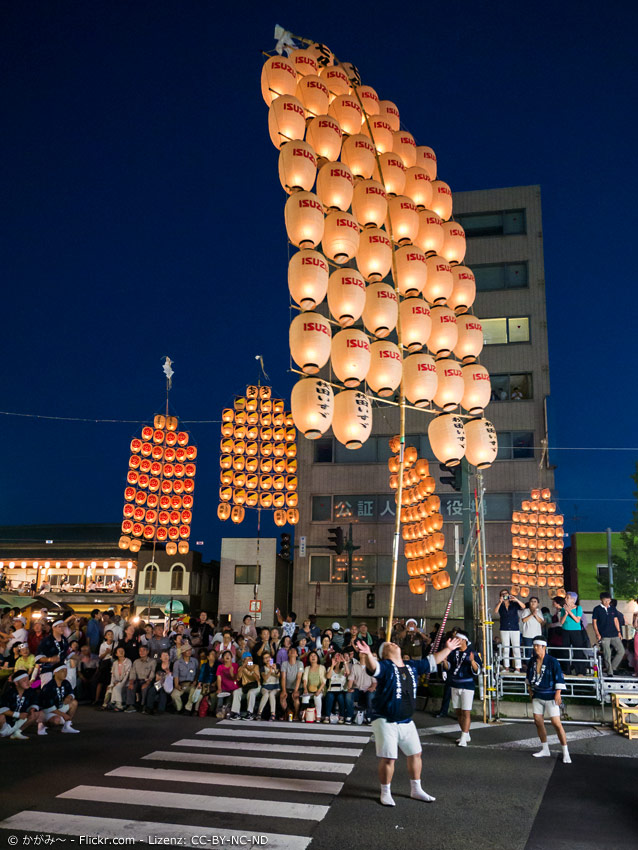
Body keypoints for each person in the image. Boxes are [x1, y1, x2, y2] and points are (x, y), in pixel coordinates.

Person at [356, 636, 461, 807]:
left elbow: (432, 661)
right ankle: (385, 792)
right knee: (389, 758)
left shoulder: (411, 666)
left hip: (406, 720)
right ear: (384, 653)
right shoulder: (385, 666)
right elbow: (373, 668)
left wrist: (448, 649)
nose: (394, 643)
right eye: (389, 644)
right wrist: (368, 654)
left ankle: (416, 788)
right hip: (385, 719)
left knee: (415, 754)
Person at [526, 638, 571, 763]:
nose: (535, 648)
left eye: (538, 646)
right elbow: (528, 677)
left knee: (556, 723)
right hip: (537, 694)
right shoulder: (532, 661)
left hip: (551, 694)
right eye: (534, 646)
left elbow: (559, 677)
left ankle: (565, 751)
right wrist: (529, 689)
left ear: (544, 647)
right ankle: (545, 748)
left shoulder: (552, 661)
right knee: (538, 721)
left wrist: (558, 693)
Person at [442, 632, 481, 747]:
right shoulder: (453, 653)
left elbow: (478, 670)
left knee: (466, 712)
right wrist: (444, 661)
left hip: (467, 685)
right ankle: (466, 733)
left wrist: (473, 661)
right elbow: (449, 667)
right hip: (455, 684)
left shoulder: (472, 652)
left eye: (458, 639)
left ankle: (464, 736)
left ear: (464, 640)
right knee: (458, 711)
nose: (456, 641)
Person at [0, 670, 43, 740]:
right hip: (6, 724)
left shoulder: (30, 692)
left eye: (28, 679)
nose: (28, 682)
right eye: (24, 680)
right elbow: (2, 709)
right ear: (16, 683)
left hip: (18, 722)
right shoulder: (8, 693)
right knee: (1, 716)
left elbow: (35, 702)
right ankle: (2, 733)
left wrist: (32, 709)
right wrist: (18, 715)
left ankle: (17, 732)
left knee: (37, 713)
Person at [39, 664, 80, 734]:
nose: (65, 673)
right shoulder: (49, 686)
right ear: (55, 673)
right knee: (56, 721)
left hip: (59, 707)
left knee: (74, 702)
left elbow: (71, 692)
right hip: (47, 711)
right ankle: (42, 724)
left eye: (66, 671)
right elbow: (48, 706)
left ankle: (67, 726)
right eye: (62, 671)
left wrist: (70, 696)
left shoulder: (66, 682)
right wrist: (64, 715)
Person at [592, 592, 623, 676]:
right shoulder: (597, 609)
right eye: (605, 600)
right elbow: (594, 622)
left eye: (608, 600)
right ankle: (610, 672)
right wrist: (597, 634)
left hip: (614, 633)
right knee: (607, 653)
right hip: (604, 635)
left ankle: (613, 667)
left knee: (621, 651)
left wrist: (619, 632)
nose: (607, 602)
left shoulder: (612, 608)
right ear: (601, 600)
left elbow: (616, 620)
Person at [495, 589, 525, 672]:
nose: (504, 595)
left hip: (514, 627)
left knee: (516, 648)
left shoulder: (514, 604)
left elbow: (523, 607)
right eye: (502, 594)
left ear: (509, 594)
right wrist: (500, 602)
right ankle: (506, 667)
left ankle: (518, 668)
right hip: (504, 628)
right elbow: (496, 611)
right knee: (506, 648)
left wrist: (516, 599)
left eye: (506, 594)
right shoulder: (500, 605)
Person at [559, 592, 588, 675]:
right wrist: (566, 613)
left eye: (567, 597)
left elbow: (577, 620)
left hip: (576, 631)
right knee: (565, 651)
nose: (565, 599)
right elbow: (561, 622)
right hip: (565, 631)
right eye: (566, 597)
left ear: (573, 600)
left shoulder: (578, 608)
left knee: (578, 651)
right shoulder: (563, 609)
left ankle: (580, 671)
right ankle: (566, 670)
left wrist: (570, 612)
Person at [37, 619, 70, 686]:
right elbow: (38, 657)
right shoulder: (46, 640)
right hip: (48, 669)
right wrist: (50, 659)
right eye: (59, 626)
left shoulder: (64, 640)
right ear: (53, 628)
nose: (62, 628)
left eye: (63, 626)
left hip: (61, 669)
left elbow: (65, 653)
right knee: (47, 690)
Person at [125, 644, 155, 712]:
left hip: (147, 681)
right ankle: (131, 705)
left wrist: (147, 683)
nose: (142, 652)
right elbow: (133, 673)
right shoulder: (136, 661)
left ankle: (143, 705)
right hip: (137, 680)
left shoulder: (152, 661)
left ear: (147, 652)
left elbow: (152, 674)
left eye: (144, 650)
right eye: (140, 651)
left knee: (145, 688)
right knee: (130, 686)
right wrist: (131, 682)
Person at [230, 655, 262, 719]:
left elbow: (258, 679)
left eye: (249, 659)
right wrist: (242, 667)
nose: (248, 661)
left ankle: (250, 713)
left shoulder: (255, 666)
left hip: (255, 686)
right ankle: (236, 713)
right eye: (246, 659)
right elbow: (238, 678)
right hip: (246, 687)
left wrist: (251, 670)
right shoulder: (241, 668)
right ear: (243, 661)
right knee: (236, 692)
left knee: (251, 692)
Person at [144, 651, 173, 715]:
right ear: (160, 658)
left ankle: (160, 710)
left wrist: (168, 674)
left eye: (167, 655)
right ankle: (149, 708)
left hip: (168, 684)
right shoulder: (158, 665)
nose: (165, 657)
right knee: (152, 690)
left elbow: (173, 676)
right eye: (163, 655)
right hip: (159, 683)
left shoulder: (172, 665)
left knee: (163, 692)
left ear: (169, 657)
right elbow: (157, 677)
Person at [171, 645, 199, 712]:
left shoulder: (194, 661)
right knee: (174, 695)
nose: (189, 652)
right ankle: (179, 708)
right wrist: (177, 685)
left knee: (193, 691)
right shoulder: (177, 663)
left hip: (191, 684)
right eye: (187, 650)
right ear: (183, 652)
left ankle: (187, 708)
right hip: (182, 684)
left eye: (190, 650)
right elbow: (176, 675)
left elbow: (198, 672)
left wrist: (195, 681)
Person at [324, 652, 351, 723]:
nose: (337, 657)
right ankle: (327, 716)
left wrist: (344, 661)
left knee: (340, 697)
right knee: (329, 696)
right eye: (335, 656)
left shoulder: (343, 669)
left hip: (341, 690)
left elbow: (348, 673)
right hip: (331, 690)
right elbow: (328, 677)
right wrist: (333, 665)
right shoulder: (330, 668)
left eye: (339, 656)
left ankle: (342, 716)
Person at [104, 645, 132, 711]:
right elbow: (112, 675)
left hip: (125, 682)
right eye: (119, 651)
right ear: (116, 654)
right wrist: (111, 684)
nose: (121, 652)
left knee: (116, 687)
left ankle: (118, 705)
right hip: (116, 682)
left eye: (122, 651)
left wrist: (120, 683)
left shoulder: (128, 661)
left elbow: (127, 675)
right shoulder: (115, 663)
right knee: (109, 688)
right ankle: (105, 704)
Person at [520, 597, 545, 669]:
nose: (533, 603)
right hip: (527, 634)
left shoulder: (539, 611)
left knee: (537, 652)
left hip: (537, 634)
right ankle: (529, 667)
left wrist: (535, 614)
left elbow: (541, 622)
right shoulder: (526, 611)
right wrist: (531, 614)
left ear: (538, 603)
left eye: (535, 601)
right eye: (531, 601)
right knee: (528, 651)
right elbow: (524, 620)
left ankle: (536, 666)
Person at [279, 646, 304, 720]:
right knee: (282, 698)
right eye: (290, 651)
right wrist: (284, 690)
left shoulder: (300, 663)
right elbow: (283, 677)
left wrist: (296, 690)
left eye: (294, 651)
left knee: (296, 699)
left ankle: (296, 715)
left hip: (297, 687)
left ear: (297, 654)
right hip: (286, 687)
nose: (292, 652)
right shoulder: (284, 664)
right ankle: (285, 713)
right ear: (288, 654)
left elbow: (299, 677)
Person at [301, 650, 326, 721]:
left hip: (319, 689)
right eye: (311, 656)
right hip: (309, 689)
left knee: (317, 697)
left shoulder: (322, 667)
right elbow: (305, 679)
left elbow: (324, 681)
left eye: (314, 656)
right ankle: (304, 715)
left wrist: (319, 690)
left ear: (317, 658)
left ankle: (318, 716)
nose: (313, 657)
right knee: (305, 697)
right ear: (309, 658)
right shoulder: (307, 668)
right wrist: (305, 689)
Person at [256, 652, 280, 721]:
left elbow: (278, 675)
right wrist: (270, 670)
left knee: (272, 694)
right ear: (263, 660)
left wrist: (274, 669)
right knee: (266, 694)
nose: (267, 659)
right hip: (265, 687)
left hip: (275, 687)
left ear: (271, 658)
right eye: (265, 658)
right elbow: (265, 679)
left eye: (268, 657)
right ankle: (259, 713)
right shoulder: (262, 668)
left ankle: (273, 714)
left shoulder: (277, 665)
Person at [216, 650, 239, 718]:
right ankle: (219, 711)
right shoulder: (220, 667)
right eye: (225, 655)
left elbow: (236, 678)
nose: (227, 656)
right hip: (224, 687)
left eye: (229, 655)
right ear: (222, 658)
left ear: (232, 657)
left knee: (229, 700)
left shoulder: (235, 665)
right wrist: (219, 688)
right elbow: (219, 678)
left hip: (233, 688)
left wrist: (232, 674)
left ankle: (227, 712)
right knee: (220, 695)